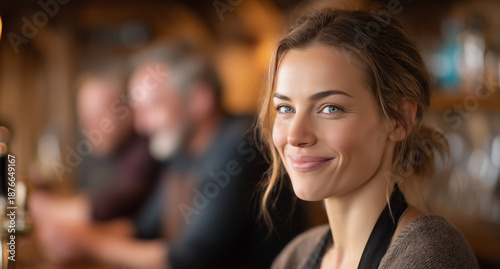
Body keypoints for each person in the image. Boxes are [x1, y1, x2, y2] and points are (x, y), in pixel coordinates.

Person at [256, 8, 479, 269]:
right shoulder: (295, 256)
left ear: (399, 120)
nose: (295, 135)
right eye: (285, 109)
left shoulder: (432, 256)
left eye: (330, 108)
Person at [52, 41, 301, 269]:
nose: (141, 126)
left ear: (199, 100)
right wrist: (69, 236)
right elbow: (144, 229)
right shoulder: (182, 151)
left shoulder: (241, 145)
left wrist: (89, 244)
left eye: (153, 107)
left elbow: (188, 258)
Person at [30, 67, 161, 262]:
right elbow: (125, 220)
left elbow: (110, 204)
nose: (87, 125)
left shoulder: (147, 148)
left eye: (98, 113)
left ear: (128, 109)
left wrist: (36, 204)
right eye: (83, 115)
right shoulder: (127, 153)